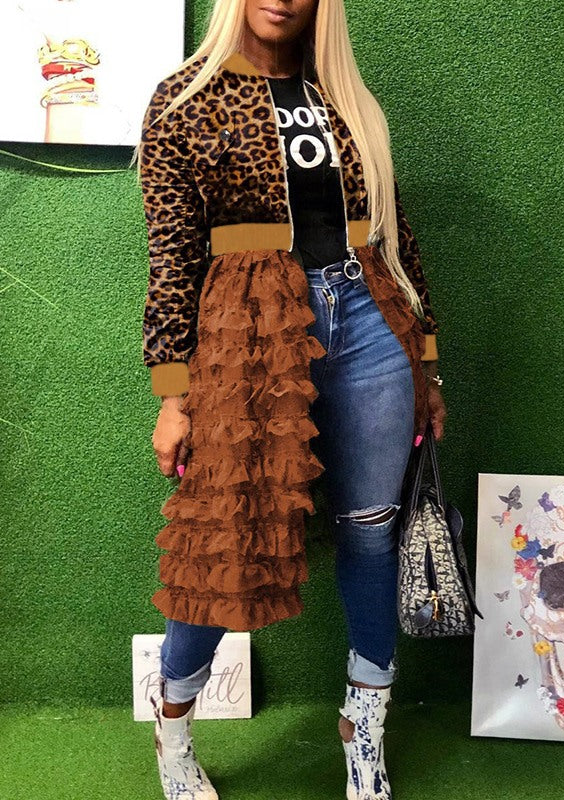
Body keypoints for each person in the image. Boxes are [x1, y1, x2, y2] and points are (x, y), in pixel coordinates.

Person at [133, 1, 447, 798]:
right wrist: (174, 394)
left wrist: (427, 363)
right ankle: (173, 729)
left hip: (371, 320)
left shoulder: (346, 98)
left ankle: (362, 728)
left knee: (370, 533)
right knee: (223, 537)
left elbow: (396, 237)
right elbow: (171, 257)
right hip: (249, 329)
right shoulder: (184, 99)